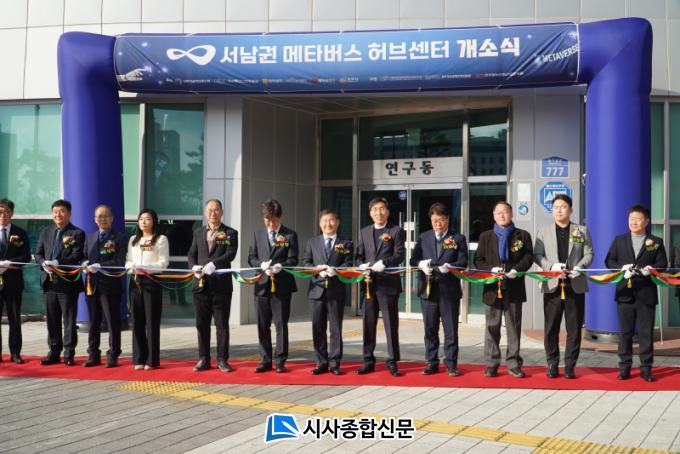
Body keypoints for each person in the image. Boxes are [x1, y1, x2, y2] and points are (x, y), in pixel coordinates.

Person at [605, 204, 667, 382]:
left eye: (638, 219)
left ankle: (646, 368)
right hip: (625, 293)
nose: (634, 222)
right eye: (631, 219)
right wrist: (621, 268)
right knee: (625, 333)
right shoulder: (620, 240)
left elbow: (663, 263)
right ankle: (624, 367)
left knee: (646, 333)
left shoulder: (655, 241)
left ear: (646, 222)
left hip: (646, 294)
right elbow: (609, 260)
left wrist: (651, 269)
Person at [533, 194, 593, 379]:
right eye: (556, 207)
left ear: (571, 210)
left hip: (574, 284)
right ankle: (552, 363)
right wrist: (551, 266)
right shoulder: (543, 231)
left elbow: (589, 253)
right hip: (552, 285)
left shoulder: (581, 230)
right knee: (551, 327)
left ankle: (569, 365)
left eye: (563, 207)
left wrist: (579, 267)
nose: (559, 210)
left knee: (574, 328)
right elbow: (537, 255)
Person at [474, 201, 533, 378]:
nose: (501, 215)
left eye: (505, 212)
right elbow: (478, 260)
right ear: (493, 216)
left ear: (511, 214)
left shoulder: (522, 235)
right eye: (498, 212)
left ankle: (513, 363)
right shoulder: (486, 236)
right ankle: (491, 363)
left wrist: (517, 269)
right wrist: (490, 269)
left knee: (514, 327)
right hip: (492, 288)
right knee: (492, 326)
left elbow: (528, 257)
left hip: (514, 287)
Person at [410, 202, 468, 376]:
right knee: (430, 328)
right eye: (435, 220)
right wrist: (421, 264)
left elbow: (463, 262)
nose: (438, 224)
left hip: (448, 290)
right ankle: (431, 362)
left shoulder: (458, 238)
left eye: (441, 220)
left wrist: (450, 266)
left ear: (447, 219)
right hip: (428, 289)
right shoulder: (424, 237)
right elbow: (413, 260)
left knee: (450, 329)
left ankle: (451, 363)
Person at [355, 197, 406, 377]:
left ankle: (392, 361)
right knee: (368, 323)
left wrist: (385, 262)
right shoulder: (364, 232)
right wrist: (361, 265)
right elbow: (359, 256)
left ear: (388, 211)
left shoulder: (396, 231)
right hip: (369, 284)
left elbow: (399, 255)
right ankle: (368, 360)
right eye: (375, 209)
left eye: (382, 209)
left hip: (388, 284)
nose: (379, 212)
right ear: (370, 213)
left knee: (390, 324)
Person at [247, 199, 298, 373]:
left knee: (280, 323)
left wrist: (280, 266)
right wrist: (260, 264)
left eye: (274, 221)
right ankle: (265, 359)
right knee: (262, 324)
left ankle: (280, 360)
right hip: (262, 285)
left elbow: (293, 259)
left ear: (280, 217)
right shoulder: (257, 234)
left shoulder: (290, 235)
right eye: (268, 221)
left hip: (281, 285)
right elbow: (251, 257)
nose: (271, 224)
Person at [188, 199, 238, 373]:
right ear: (205, 212)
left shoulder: (230, 233)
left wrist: (214, 264)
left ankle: (222, 359)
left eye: (216, 209)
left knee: (221, 324)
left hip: (221, 286)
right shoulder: (198, 233)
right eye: (209, 210)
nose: (213, 213)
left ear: (222, 212)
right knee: (201, 324)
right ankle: (204, 358)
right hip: (200, 285)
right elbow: (191, 254)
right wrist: (193, 267)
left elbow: (230, 253)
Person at [34, 199, 86, 366]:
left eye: (62, 211)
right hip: (49, 283)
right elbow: (38, 253)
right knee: (52, 320)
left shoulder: (77, 233)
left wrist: (58, 262)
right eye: (55, 211)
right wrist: (43, 263)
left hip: (67, 283)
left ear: (69, 214)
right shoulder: (46, 231)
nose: (58, 214)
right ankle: (54, 352)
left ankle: (69, 354)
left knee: (69, 321)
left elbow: (77, 255)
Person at [302, 209, 353, 376]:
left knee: (336, 329)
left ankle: (335, 362)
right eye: (324, 221)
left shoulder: (346, 243)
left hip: (335, 291)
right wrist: (316, 269)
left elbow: (348, 263)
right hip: (316, 291)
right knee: (318, 328)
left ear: (337, 222)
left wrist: (336, 271)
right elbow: (305, 263)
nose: (328, 224)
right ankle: (321, 362)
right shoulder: (312, 242)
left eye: (331, 220)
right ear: (320, 223)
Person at [81, 205, 128, 368]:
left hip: (110, 286)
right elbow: (83, 256)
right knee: (93, 321)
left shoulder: (120, 238)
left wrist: (100, 266)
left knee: (112, 322)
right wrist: (84, 263)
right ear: (95, 219)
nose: (102, 219)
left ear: (112, 218)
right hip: (92, 285)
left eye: (105, 216)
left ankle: (113, 354)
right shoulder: (90, 238)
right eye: (99, 216)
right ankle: (93, 354)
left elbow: (119, 261)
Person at [125, 209, 169, 370]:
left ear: (154, 221)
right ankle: (138, 359)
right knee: (136, 321)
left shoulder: (161, 239)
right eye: (141, 219)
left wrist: (145, 267)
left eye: (148, 219)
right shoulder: (133, 239)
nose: (144, 222)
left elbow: (163, 263)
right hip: (135, 281)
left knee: (151, 321)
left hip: (152, 281)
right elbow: (128, 260)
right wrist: (131, 267)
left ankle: (151, 360)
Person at [0, 199, 31, 364]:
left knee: (14, 319)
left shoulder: (20, 233)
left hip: (13, 282)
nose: (3, 215)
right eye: (0, 211)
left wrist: (9, 263)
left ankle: (15, 353)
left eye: (6, 211)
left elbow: (25, 256)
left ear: (11, 213)